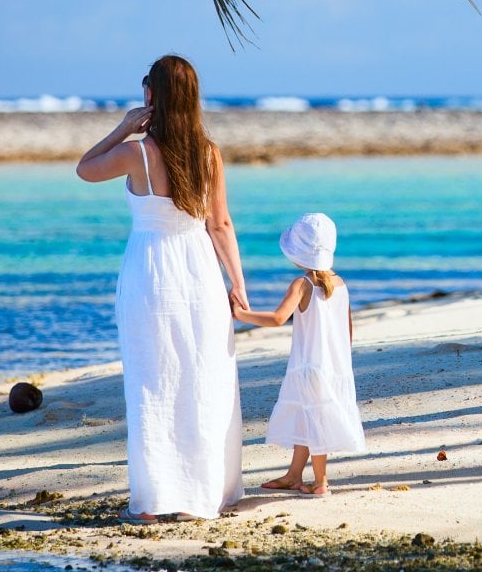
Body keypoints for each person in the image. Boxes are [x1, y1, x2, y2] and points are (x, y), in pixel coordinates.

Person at [77, 55, 246, 522]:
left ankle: (157, 500)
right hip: (200, 275)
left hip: (150, 275)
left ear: (152, 95)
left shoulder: (137, 153)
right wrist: (238, 283)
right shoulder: (209, 153)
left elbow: (84, 168)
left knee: (153, 382)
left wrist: (122, 127)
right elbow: (221, 224)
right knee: (202, 379)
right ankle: (207, 493)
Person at [233, 212, 366, 496]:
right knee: (309, 416)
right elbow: (348, 329)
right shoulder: (341, 284)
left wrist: (242, 314)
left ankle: (321, 482)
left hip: (310, 366)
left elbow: (278, 318)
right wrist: (341, 360)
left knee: (316, 418)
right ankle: (294, 475)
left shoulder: (303, 285)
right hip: (334, 366)